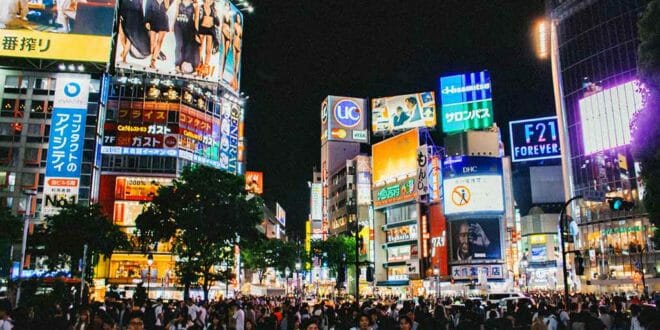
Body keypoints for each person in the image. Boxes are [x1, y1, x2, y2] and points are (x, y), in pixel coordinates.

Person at [173, 0, 200, 74]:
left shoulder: (195, 4)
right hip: (178, 25)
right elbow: (176, 12)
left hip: (189, 27)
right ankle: (177, 65)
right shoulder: (179, 1)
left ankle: (183, 65)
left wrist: (196, 33)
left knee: (186, 46)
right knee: (179, 44)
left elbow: (196, 19)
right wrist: (173, 24)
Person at [145, 0, 171, 69]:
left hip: (163, 21)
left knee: (159, 42)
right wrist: (147, 21)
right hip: (153, 20)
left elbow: (167, 7)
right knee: (152, 43)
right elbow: (147, 9)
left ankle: (153, 61)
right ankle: (155, 54)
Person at [198, 0, 220, 77]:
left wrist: (216, 15)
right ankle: (200, 63)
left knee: (208, 50)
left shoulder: (213, 10)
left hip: (210, 30)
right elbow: (197, 19)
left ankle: (205, 67)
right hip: (201, 29)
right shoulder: (201, 7)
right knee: (199, 48)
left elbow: (218, 23)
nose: (210, 1)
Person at [219, 0, 233, 78]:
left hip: (228, 35)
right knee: (223, 53)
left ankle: (222, 72)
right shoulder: (222, 14)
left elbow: (231, 30)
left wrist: (231, 43)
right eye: (226, 5)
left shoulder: (230, 18)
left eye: (228, 6)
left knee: (226, 55)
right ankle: (220, 73)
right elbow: (221, 24)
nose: (227, 7)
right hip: (224, 31)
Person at [231, 12, 243, 89]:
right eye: (237, 18)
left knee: (238, 66)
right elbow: (232, 35)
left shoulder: (241, 27)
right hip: (235, 43)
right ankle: (233, 81)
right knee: (234, 65)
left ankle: (235, 82)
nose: (238, 19)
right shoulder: (234, 25)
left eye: (239, 18)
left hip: (239, 45)